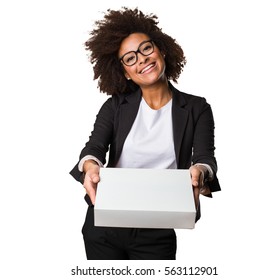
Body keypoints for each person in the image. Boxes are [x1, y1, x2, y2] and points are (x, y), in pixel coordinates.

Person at [70, 7, 221, 260]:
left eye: (146, 49)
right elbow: (94, 149)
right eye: (129, 58)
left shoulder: (197, 108)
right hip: (104, 223)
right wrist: (89, 166)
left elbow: (206, 158)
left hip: (159, 225)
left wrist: (200, 173)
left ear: (160, 49)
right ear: (124, 71)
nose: (141, 59)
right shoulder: (115, 107)